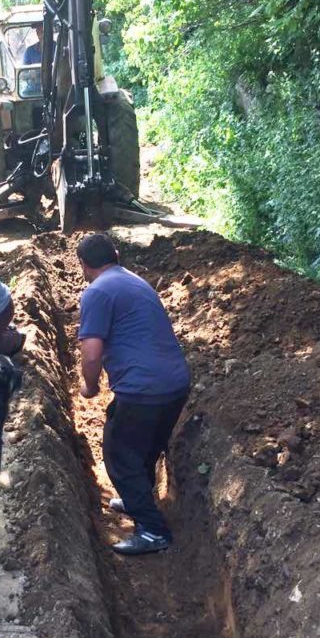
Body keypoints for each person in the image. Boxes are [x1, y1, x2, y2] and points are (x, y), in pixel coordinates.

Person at [77, 233, 190, 556]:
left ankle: (153, 531)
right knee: (148, 445)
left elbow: (92, 353)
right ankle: (137, 496)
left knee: (119, 454)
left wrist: (91, 385)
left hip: (143, 389)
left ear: (84, 265)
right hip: (175, 384)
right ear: (115, 254)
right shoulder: (134, 280)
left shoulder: (97, 292)